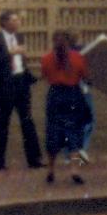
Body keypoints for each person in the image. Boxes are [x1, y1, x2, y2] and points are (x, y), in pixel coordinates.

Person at [0, 8, 43, 171]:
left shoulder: (19, 37)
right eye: (14, 20)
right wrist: (11, 52)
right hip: (5, 84)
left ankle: (34, 158)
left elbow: (21, 60)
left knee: (27, 120)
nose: (18, 23)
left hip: (20, 82)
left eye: (18, 20)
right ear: (5, 22)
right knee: (3, 122)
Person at [41, 28, 91, 184]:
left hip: (55, 96)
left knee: (53, 133)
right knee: (75, 133)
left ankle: (50, 170)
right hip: (73, 96)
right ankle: (75, 169)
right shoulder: (78, 57)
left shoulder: (46, 58)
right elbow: (85, 76)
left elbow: (44, 75)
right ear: (70, 41)